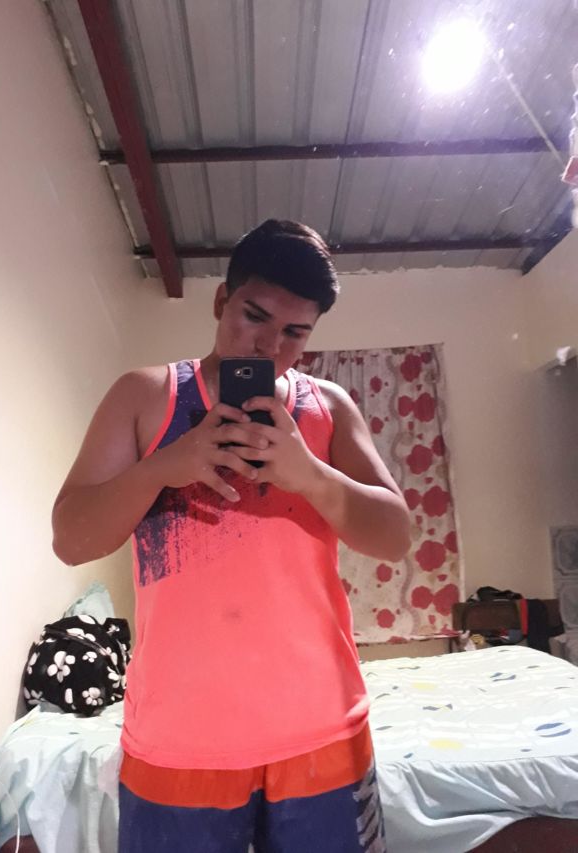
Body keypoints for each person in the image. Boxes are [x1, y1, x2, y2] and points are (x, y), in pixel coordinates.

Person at [52, 219, 411, 853]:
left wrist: (311, 475)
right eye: (255, 316)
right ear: (222, 300)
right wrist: (166, 466)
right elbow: (70, 539)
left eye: (296, 332)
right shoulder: (145, 396)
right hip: (178, 741)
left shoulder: (328, 407)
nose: (270, 345)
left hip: (323, 732)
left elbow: (395, 536)